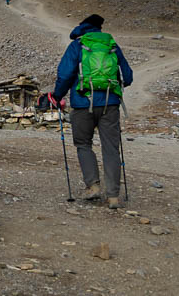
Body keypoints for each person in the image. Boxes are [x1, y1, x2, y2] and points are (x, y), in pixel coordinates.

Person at [50, 14, 133, 208]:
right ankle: (113, 196)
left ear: (82, 27)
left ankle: (93, 186)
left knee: (83, 144)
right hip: (110, 104)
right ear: (100, 28)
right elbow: (127, 76)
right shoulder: (112, 45)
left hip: (82, 103)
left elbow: (65, 74)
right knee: (111, 148)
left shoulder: (77, 45)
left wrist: (57, 95)